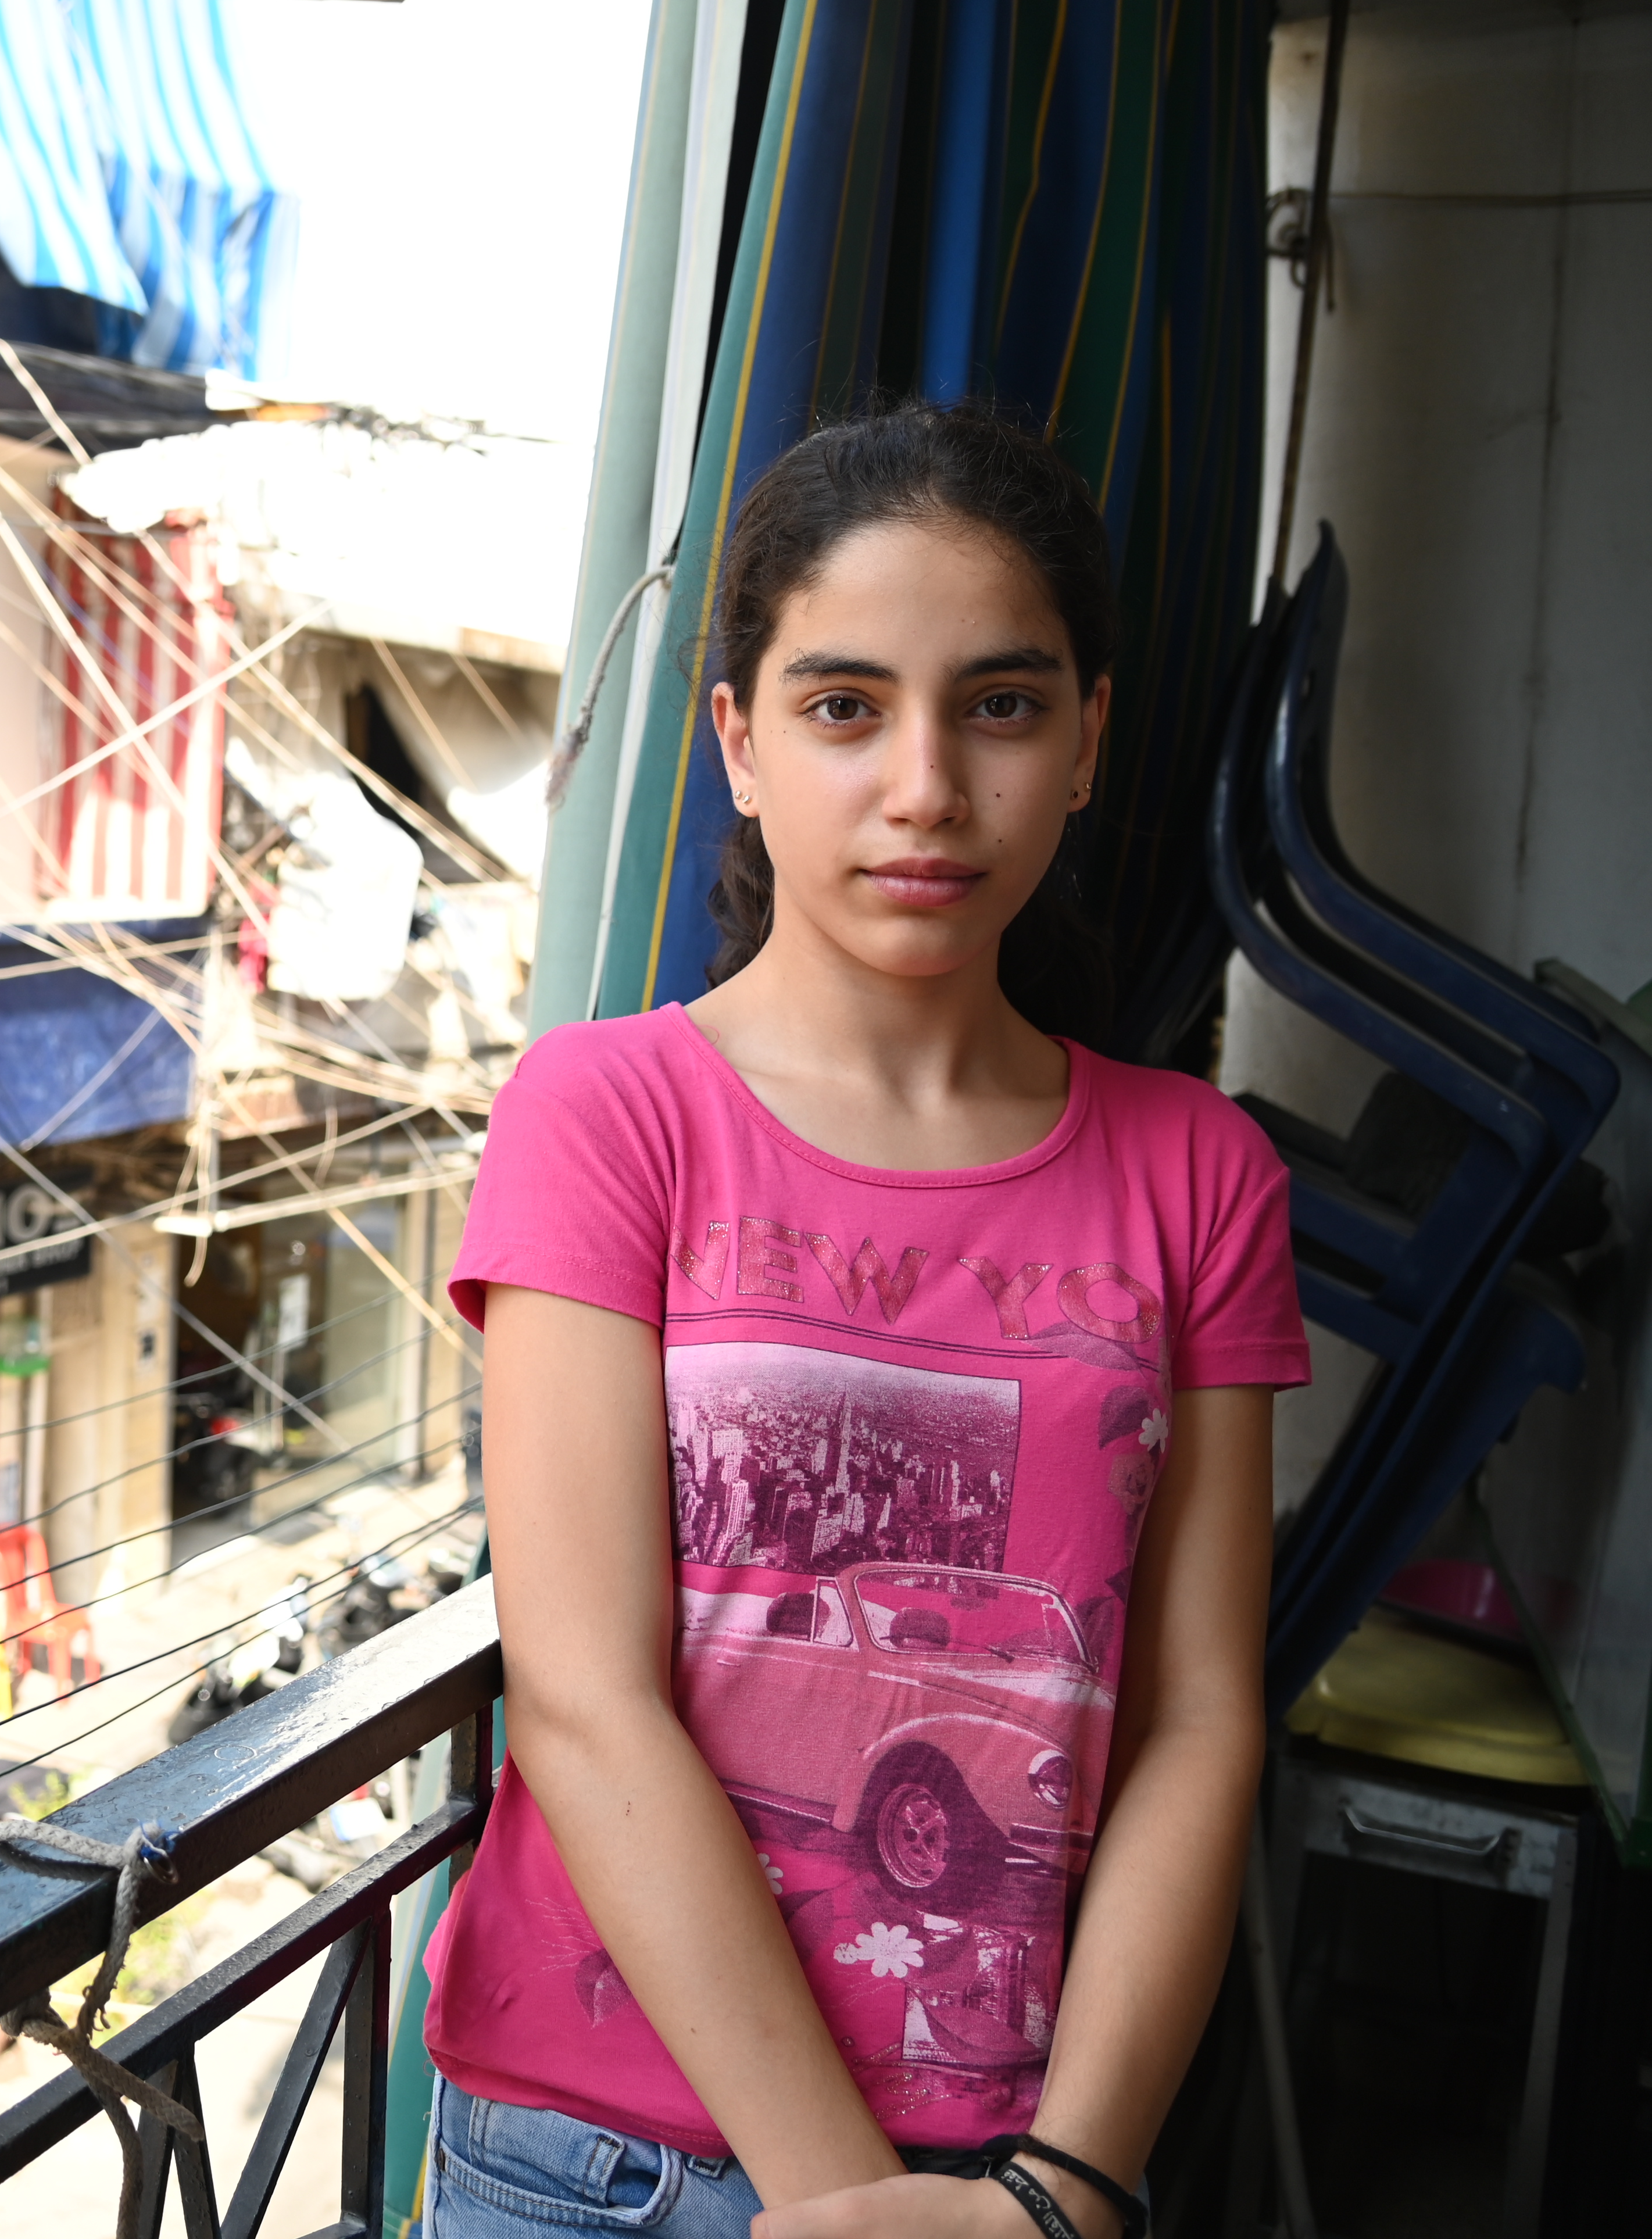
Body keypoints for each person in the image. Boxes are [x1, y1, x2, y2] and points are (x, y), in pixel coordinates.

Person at [420, 405, 1306, 2239]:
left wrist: (1063, 2188)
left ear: (1086, 744)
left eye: (999, 704)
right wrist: (850, 2204)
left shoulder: (1198, 1173)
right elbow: (583, 1697)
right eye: (842, 707)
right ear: (738, 743)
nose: (924, 783)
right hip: (599, 2167)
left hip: (1018, 2172)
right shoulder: (609, 1113)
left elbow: (1201, 1718)